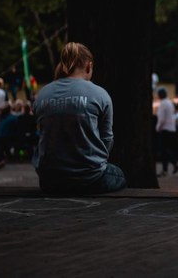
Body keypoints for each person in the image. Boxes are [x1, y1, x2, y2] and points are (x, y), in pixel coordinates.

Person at [33, 42, 126, 194]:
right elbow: (107, 139)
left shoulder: (42, 95)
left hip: (49, 180)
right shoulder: (100, 94)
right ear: (89, 66)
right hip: (90, 178)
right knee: (119, 175)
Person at [155, 87, 178, 177]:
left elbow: (161, 118)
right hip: (171, 128)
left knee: (163, 150)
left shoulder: (162, 104)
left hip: (165, 129)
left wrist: (157, 128)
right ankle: (172, 165)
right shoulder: (169, 103)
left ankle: (168, 168)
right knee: (166, 149)